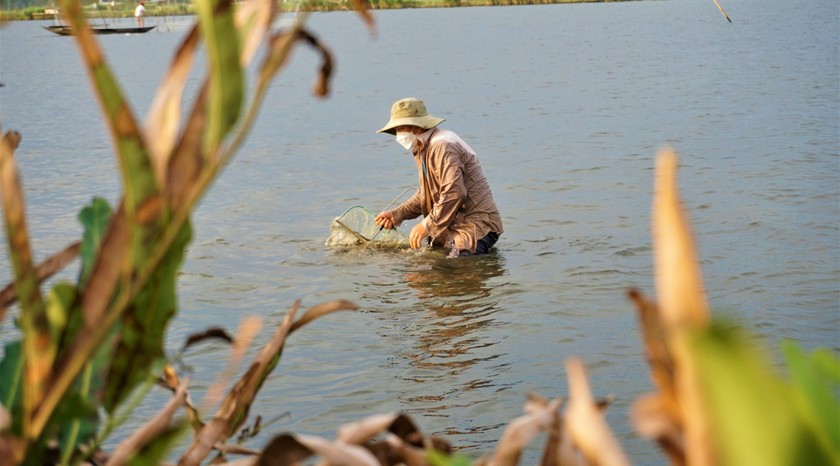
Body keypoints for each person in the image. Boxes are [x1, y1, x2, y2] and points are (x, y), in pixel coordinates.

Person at [374, 97, 503, 257]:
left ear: (416, 125)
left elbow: (454, 193)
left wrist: (427, 225)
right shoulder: (423, 147)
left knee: (457, 271)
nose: (399, 134)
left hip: (477, 226)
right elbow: (426, 194)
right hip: (454, 225)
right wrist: (397, 214)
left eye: (401, 128)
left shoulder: (443, 145)